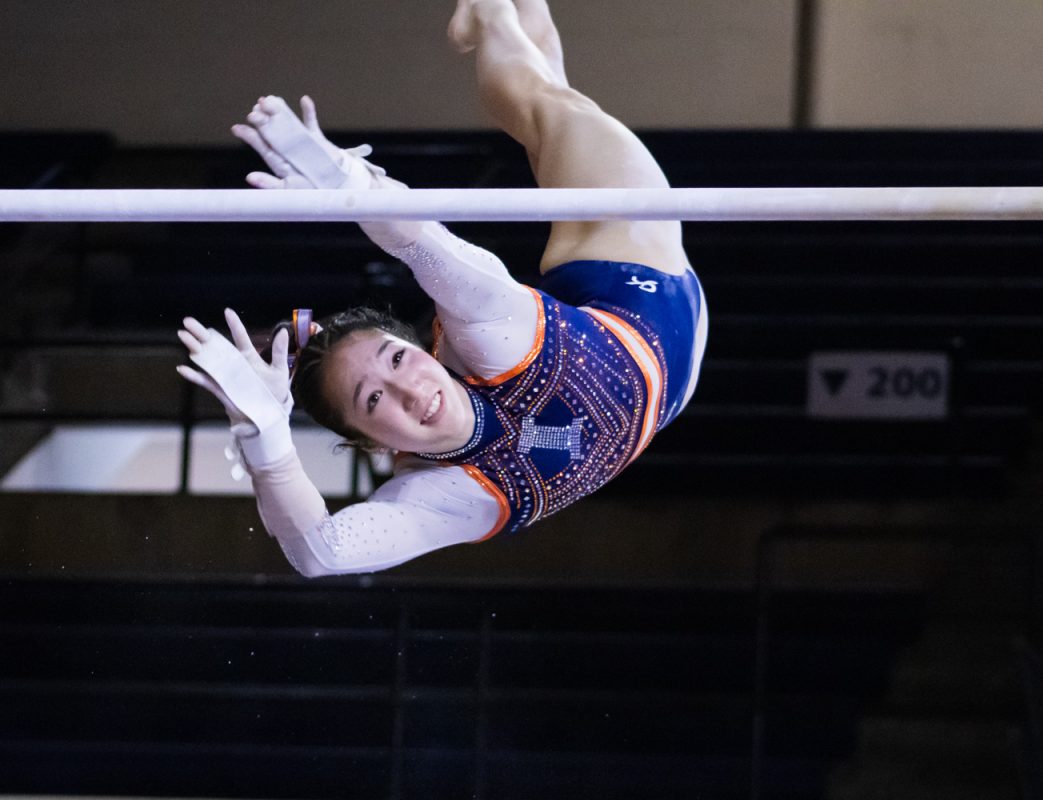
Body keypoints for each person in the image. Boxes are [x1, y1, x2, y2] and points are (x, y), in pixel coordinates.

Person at [177, 0, 708, 577]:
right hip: (653, 346)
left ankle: (493, 16)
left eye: (396, 359)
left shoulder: (494, 341)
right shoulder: (443, 494)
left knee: (547, 109)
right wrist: (266, 440)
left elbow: (424, 241)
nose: (410, 391)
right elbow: (320, 553)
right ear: (371, 443)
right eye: (374, 401)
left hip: (633, 277)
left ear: (412, 342)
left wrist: (351, 186)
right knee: (545, 103)